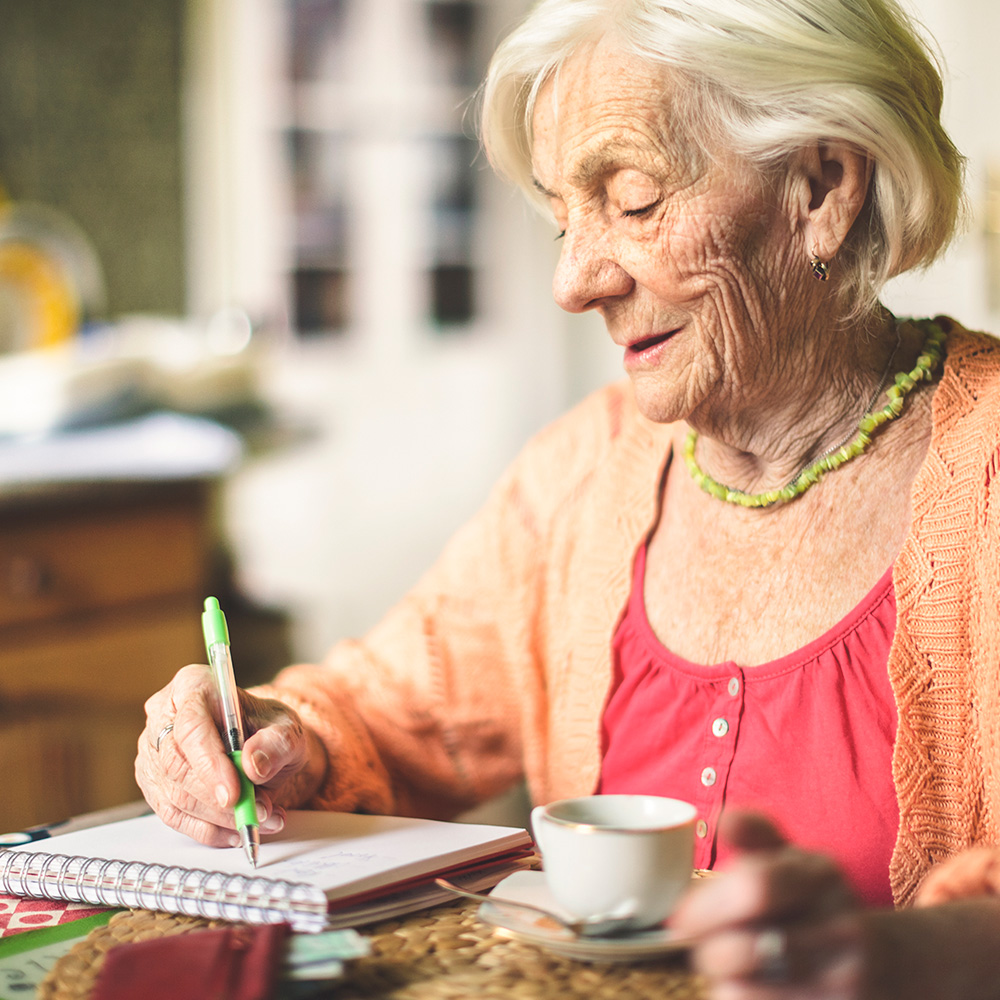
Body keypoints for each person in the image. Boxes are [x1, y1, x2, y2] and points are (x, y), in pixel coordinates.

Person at [137, 0, 1000, 994]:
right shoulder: (581, 477)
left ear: (822, 185)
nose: (573, 279)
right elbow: (377, 714)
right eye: (561, 217)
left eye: (632, 202)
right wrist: (262, 736)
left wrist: (896, 957)